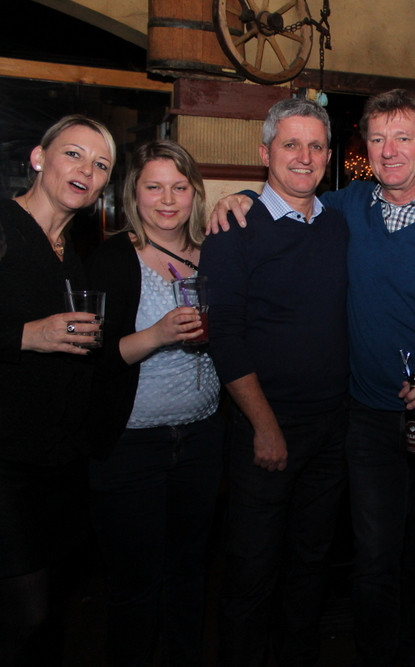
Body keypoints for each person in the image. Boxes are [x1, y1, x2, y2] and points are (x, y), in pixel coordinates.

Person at [210, 89, 415, 666]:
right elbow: (288, 192)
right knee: (371, 557)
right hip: (363, 419)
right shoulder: (348, 206)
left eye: (403, 137)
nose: (388, 151)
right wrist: (240, 197)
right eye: (377, 138)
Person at [200, 98, 350, 665]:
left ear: (329, 156)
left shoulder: (338, 224)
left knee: (311, 566)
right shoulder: (234, 229)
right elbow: (225, 334)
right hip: (265, 425)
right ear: (265, 153)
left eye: (316, 146)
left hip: (332, 427)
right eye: (291, 144)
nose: (304, 157)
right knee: (252, 569)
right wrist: (264, 426)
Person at [85, 140, 222, 666]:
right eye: (154, 187)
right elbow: (94, 360)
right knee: (134, 584)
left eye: (179, 187)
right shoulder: (113, 259)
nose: (167, 200)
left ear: (195, 194)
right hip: (131, 445)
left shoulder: (215, 253)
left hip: (202, 438)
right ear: (133, 194)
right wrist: (159, 335)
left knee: (189, 575)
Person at [0, 115, 115, 665]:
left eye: (100, 165)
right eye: (74, 154)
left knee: (53, 613)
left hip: (60, 463)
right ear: (39, 158)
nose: (86, 170)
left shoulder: (72, 254)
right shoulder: (4, 226)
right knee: (23, 616)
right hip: (6, 463)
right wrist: (28, 335)